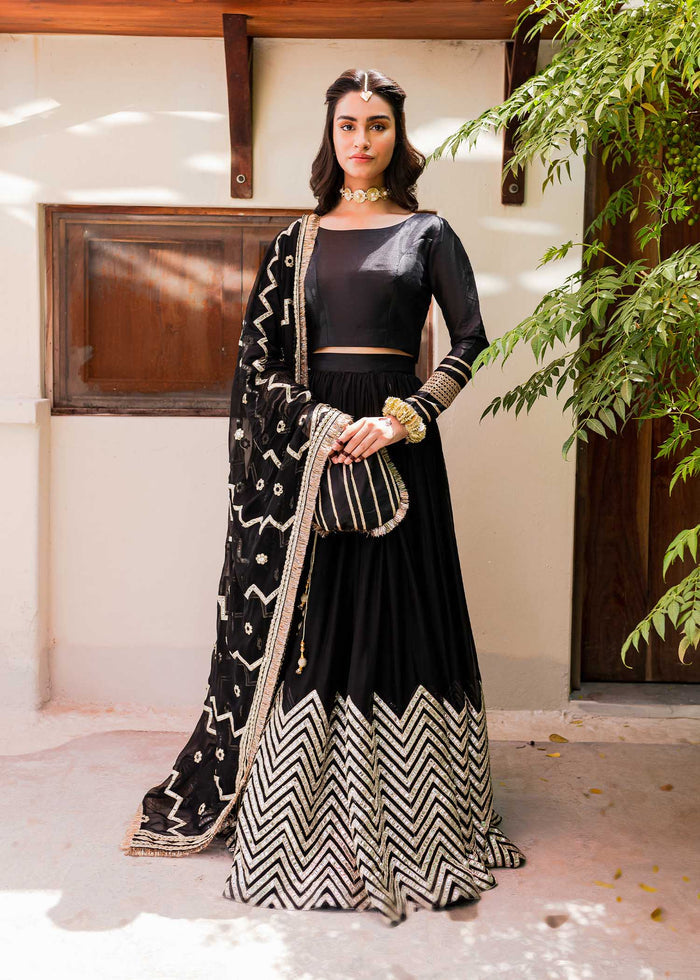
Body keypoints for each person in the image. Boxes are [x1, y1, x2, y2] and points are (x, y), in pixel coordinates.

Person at [121, 67, 526, 925]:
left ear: (397, 135)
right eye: (348, 124)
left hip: (397, 450)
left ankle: (423, 812)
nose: (362, 139)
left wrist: (402, 420)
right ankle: (301, 812)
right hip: (312, 453)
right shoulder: (294, 243)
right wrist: (322, 423)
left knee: (402, 611)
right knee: (316, 620)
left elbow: (471, 342)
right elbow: (260, 366)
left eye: (377, 125)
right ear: (330, 134)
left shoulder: (428, 233)